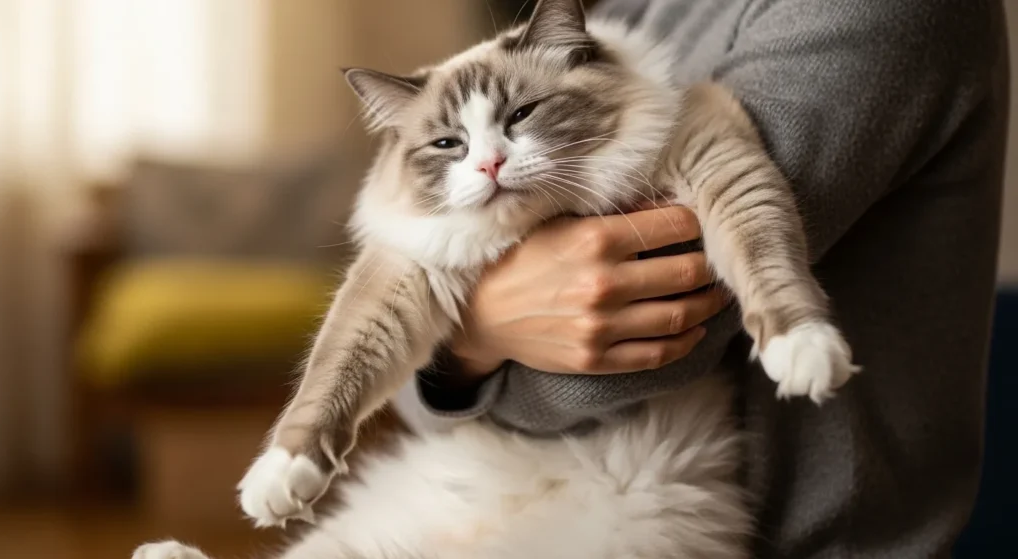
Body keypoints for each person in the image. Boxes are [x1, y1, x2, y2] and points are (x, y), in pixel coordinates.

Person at [393, 0, 1010, 556]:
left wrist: (457, 325)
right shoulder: (634, 12)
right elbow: (403, 393)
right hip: (509, 505)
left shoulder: (864, 14)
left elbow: (649, 343)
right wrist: (474, 335)